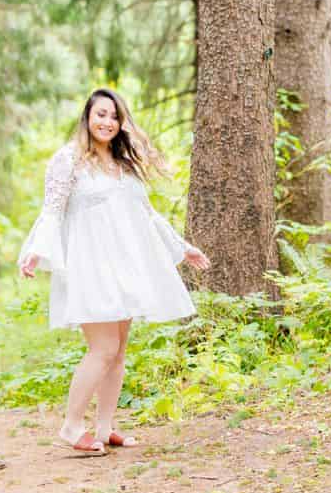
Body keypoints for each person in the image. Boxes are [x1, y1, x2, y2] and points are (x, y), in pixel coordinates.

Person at [18, 88, 211, 457]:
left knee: (119, 351)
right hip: (90, 266)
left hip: (124, 266)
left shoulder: (124, 165)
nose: (107, 121)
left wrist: (182, 247)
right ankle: (71, 425)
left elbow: (146, 215)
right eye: (100, 114)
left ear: (121, 123)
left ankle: (105, 427)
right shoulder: (69, 159)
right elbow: (53, 210)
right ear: (87, 118)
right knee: (103, 348)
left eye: (114, 116)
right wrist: (36, 251)